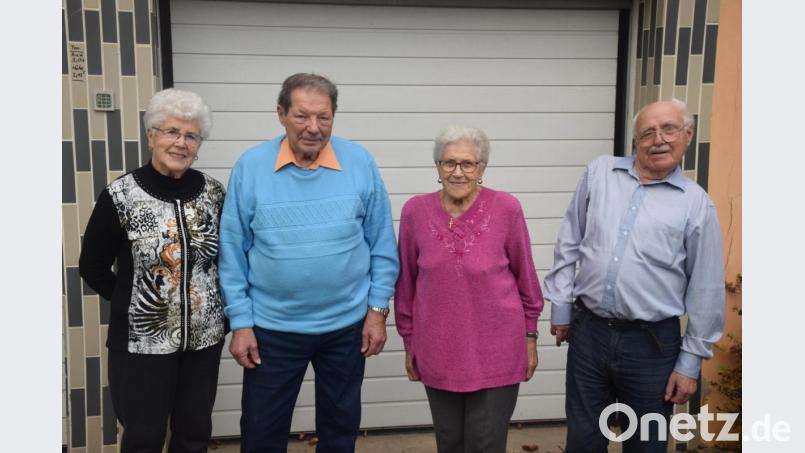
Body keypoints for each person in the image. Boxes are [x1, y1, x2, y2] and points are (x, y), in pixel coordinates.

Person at [217, 73, 399, 453]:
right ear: (281, 113)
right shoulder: (251, 167)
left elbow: (382, 243)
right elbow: (232, 253)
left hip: (346, 328)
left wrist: (377, 311)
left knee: (340, 429)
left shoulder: (360, 162)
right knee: (261, 431)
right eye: (302, 116)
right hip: (272, 329)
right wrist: (241, 322)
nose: (313, 128)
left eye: (324, 117)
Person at [544, 99, 725, 452]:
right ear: (635, 141)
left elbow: (706, 288)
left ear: (687, 136)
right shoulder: (600, 172)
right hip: (589, 333)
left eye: (669, 129)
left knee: (645, 443)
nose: (658, 139)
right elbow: (569, 241)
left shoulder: (696, 204)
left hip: (652, 346)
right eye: (647, 132)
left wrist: (689, 363)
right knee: (582, 440)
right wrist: (562, 307)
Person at [79, 88, 226, 453]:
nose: (181, 143)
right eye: (171, 132)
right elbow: (92, 265)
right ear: (151, 135)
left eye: (191, 136)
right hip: (141, 345)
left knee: (194, 436)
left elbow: (227, 260)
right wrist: (133, 301)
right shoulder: (121, 195)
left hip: (204, 340)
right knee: (143, 437)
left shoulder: (214, 193)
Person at [394, 126, 545, 453]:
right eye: (449, 163)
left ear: (482, 168)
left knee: (484, 444)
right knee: (449, 443)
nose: (458, 172)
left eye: (468, 164)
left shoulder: (507, 209)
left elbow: (527, 280)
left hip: (497, 353)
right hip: (438, 352)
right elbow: (405, 284)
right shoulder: (415, 212)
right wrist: (410, 341)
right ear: (437, 167)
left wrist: (530, 336)